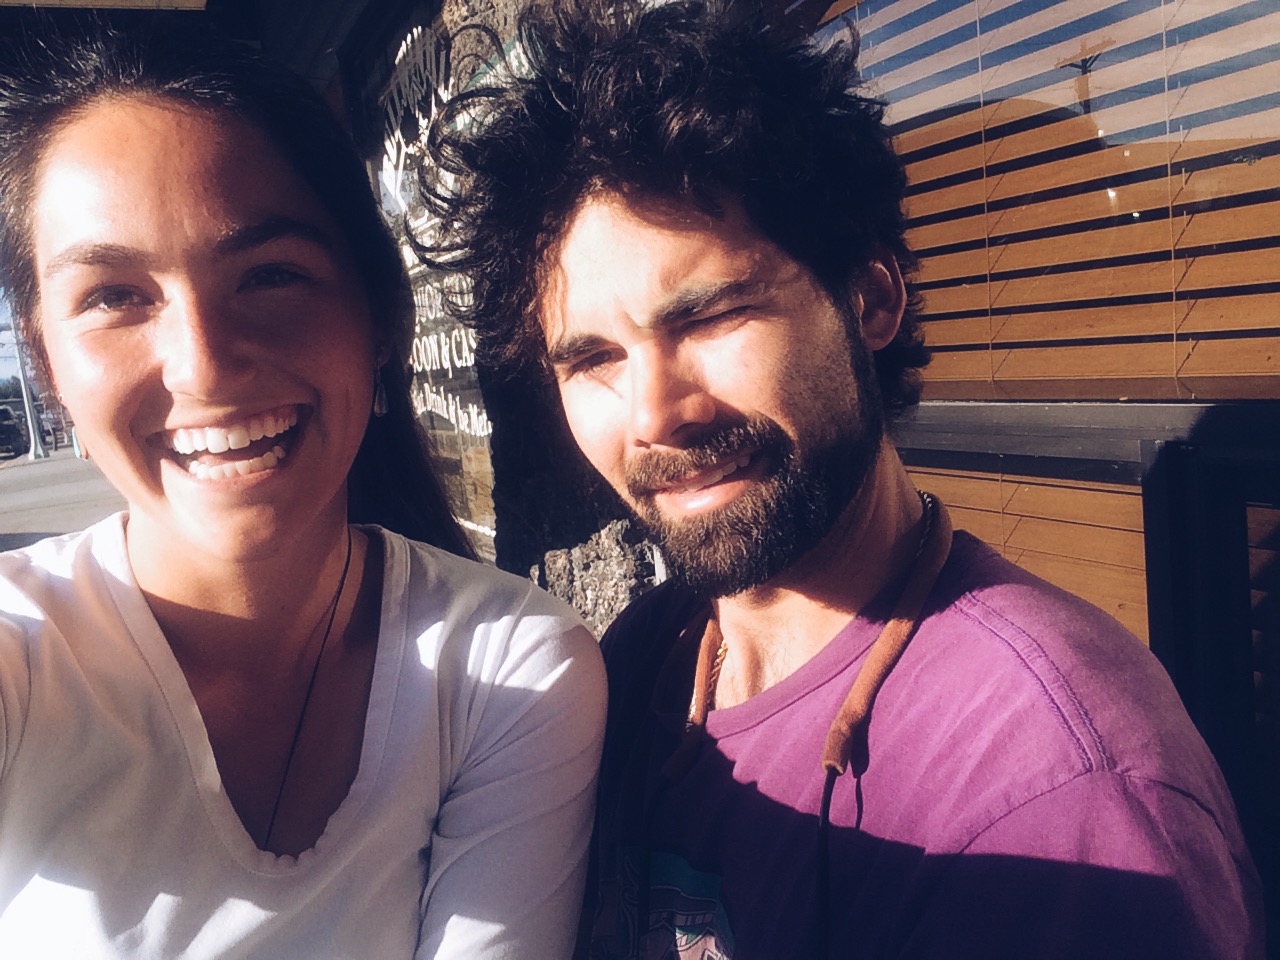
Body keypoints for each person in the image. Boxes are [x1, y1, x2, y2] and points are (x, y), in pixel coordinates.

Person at [415, 1, 1264, 957]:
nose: (654, 413)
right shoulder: (648, 656)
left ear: (869, 300)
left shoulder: (1054, 796)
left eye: (711, 317)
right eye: (593, 359)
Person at [0, 21, 605, 959]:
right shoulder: (25, 652)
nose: (203, 364)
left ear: (381, 319)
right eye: (114, 296)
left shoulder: (509, 671)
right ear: (46, 367)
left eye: (271, 274)